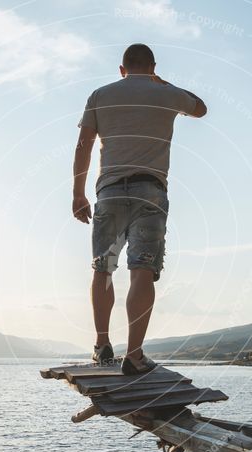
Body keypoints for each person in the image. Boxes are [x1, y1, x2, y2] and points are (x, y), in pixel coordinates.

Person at [72, 43, 207, 375]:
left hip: (109, 191)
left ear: (122, 69)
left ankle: (102, 346)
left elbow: (84, 145)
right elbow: (201, 109)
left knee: (103, 269)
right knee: (142, 271)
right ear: (152, 66)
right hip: (151, 191)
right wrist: (164, 85)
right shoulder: (166, 93)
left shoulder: (100, 95)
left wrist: (78, 193)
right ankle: (134, 356)